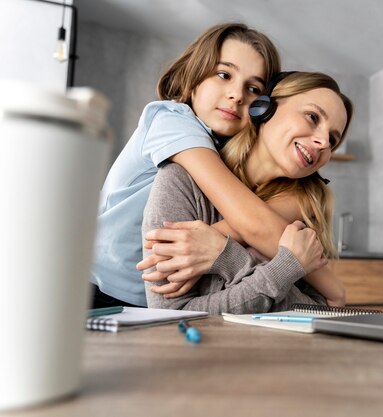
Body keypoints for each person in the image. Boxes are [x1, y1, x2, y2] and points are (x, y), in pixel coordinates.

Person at [91, 22, 283, 308]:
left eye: (253, 88)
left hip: (156, 301)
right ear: (193, 80)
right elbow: (255, 222)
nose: (237, 95)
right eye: (223, 74)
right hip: (100, 290)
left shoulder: (228, 153)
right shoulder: (172, 121)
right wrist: (316, 271)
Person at [142, 71, 352, 313]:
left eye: (333, 140)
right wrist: (285, 268)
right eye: (313, 117)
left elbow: (315, 309)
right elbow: (172, 315)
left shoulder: (308, 209)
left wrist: (226, 255)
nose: (324, 142)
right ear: (264, 107)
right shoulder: (180, 180)